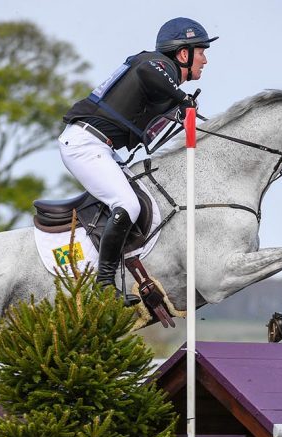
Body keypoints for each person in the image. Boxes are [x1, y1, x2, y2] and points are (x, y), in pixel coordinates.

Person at [59, 17, 217, 299]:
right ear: (184, 54)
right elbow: (146, 70)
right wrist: (181, 99)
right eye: (201, 51)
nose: (204, 60)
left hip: (100, 148)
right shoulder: (159, 64)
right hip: (85, 144)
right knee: (128, 204)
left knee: (146, 200)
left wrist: (181, 112)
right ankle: (104, 285)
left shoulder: (165, 80)